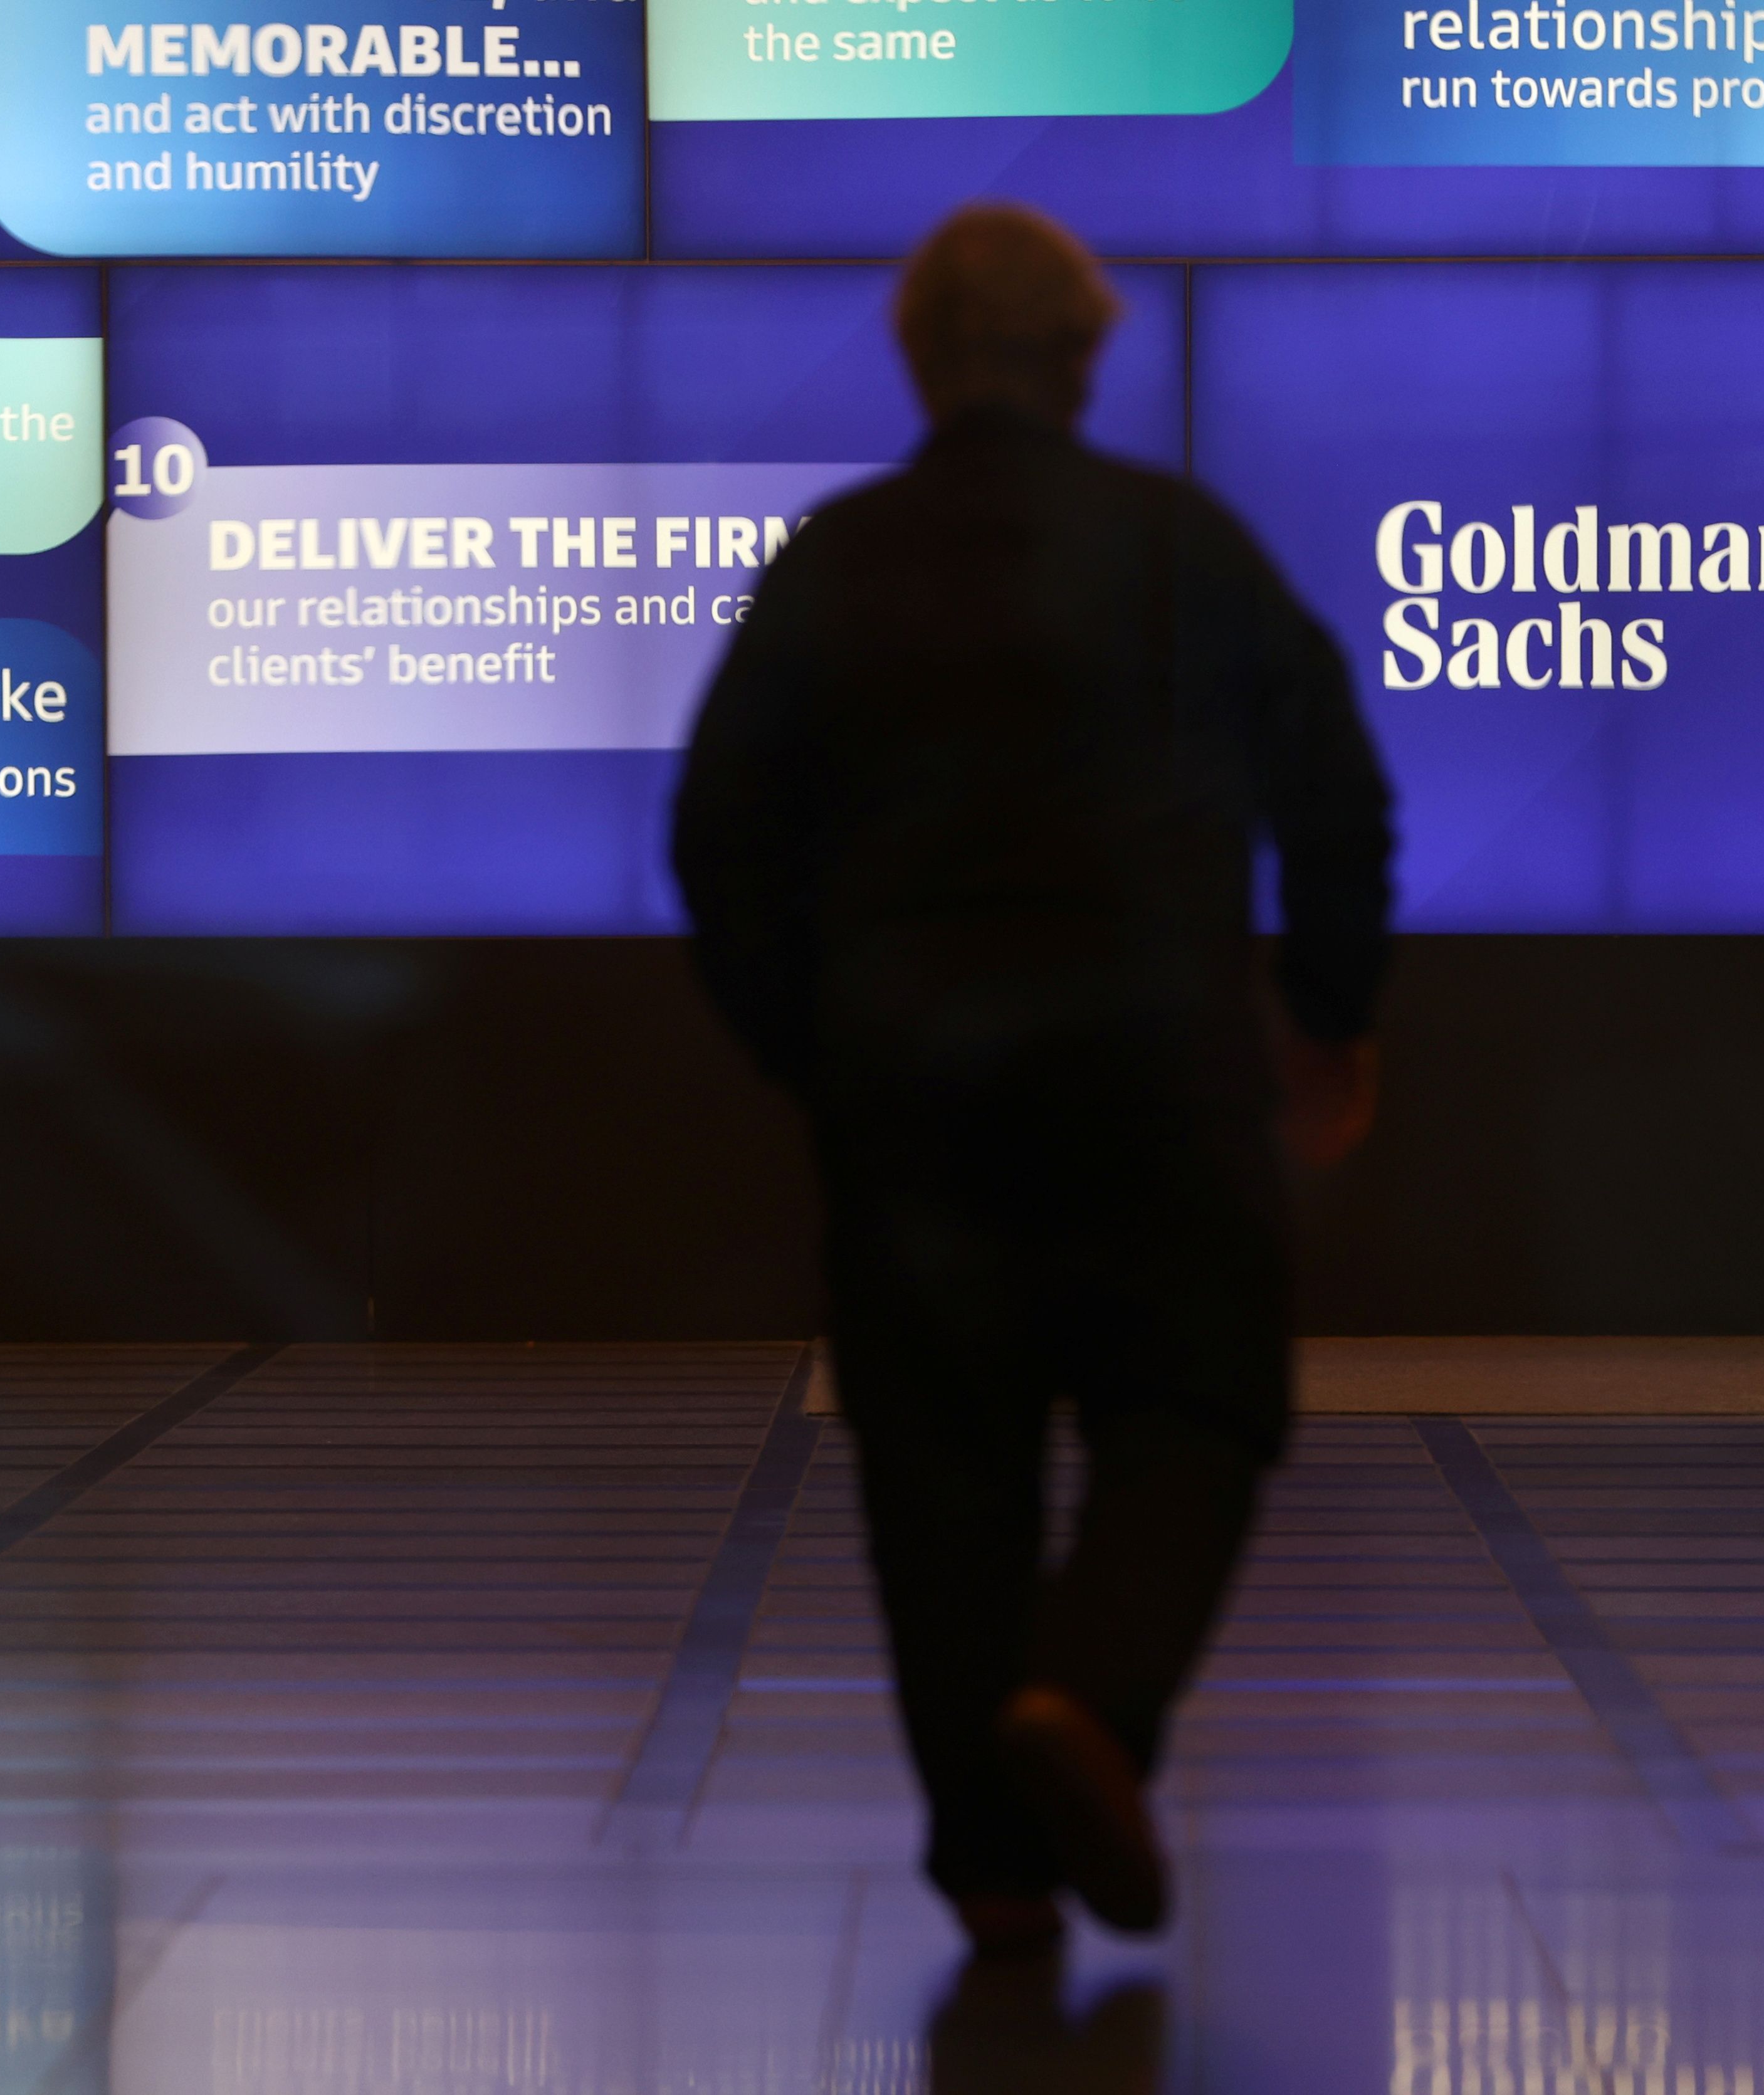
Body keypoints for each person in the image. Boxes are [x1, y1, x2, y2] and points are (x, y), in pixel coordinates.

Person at [673, 206, 1395, 1958]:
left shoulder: (835, 560)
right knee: (1195, 1407)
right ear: (1087, 355)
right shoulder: (1185, 547)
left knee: (940, 1474)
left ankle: (996, 1874)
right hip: (1160, 1070)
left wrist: (809, 1043)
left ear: (918, 355)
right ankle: (1089, 1693)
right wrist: (1323, 1003)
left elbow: (717, 837)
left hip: (912, 1097)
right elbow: (1336, 789)